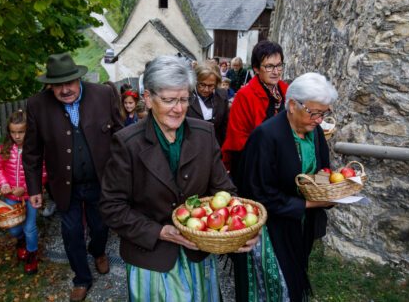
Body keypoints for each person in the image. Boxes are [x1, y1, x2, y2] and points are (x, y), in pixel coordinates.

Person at [99, 55, 259, 302]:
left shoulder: (205, 135)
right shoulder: (126, 143)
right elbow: (112, 208)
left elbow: (224, 191)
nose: (179, 108)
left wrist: (240, 227)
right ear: (148, 99)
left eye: (184, 99)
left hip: (197, 256)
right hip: (151, 259)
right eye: (169, 100)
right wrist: (161, 231)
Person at [23, 52, 123, 301]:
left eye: (69, 83)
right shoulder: (37, 105)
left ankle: (98, 251)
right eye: (58, 85)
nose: (65, 89)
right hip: (64, 187)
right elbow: (32, 152)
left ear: (79, 78)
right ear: (50, 85)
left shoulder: (103, 94)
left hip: (101, 182)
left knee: (101, 227)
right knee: (71, 233)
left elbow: (121, 136)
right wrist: (34, 189)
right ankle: (81, 278)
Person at [238, 72, 338, 301]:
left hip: (300, 224)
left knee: (296, 279)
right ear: (292, 105)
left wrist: (329, 192)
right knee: (277, 286)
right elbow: (258, 193)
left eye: (324, 113)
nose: (319, 120)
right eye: (314, 112)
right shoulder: (266, 136)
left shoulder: (316, 134)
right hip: (269, 229)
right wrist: (310, 202)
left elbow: (323, 171)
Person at [222, 41, 288, 181]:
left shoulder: (286, 91)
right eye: (269, 66)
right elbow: (237, 139)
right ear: (256, 68)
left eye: (279, 65)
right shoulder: (244, 95)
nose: (276, 72)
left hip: (280, 164)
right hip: (253, 166)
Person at [0, 110, 47, 274]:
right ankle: (21, 241)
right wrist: (3, 184)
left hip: (30, 197)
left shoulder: (36, 150)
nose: (17, 136)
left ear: (28, 131)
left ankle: (31, 255)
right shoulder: (5, 149)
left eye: (21, 132)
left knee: (29, 227)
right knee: (14, 228)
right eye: (13, 132)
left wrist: (27, 188)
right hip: (11, 197)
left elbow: (44, 173)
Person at [186, 63, 229, 146]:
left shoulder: (222, 96)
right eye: (202, 85)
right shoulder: (186, 96)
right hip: (191, 145)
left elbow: (224, 126)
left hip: (215, 146)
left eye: (211, 86)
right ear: (195, 81)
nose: (206, 90)